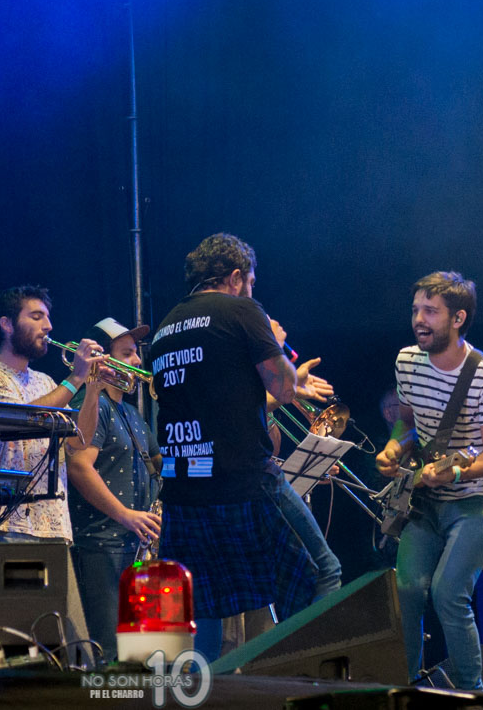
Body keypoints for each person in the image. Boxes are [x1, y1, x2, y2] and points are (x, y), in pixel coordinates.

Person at [150, 232, 341, 661]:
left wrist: (287, 382)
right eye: (250, 282)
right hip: (244, 481)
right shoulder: (242, 310)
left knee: (205, 606)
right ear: (236, 277)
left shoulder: (164, 328)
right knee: (323, 572)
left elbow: (217, 403)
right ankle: (307, 678)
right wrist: (272, 340)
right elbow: (283, 387)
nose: (252, 291)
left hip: (184, 491)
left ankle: (202, 690)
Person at [376, 270, 483, 690]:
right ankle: (405, 688)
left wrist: (454, 471)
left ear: (458, 318)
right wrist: (394, 448)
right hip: (427, 501)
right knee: (407, 589)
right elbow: (407, 425)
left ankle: (472, 692)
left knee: (448, 592)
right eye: (415, 310)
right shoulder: (406, 361)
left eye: (430, 311)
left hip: (479, 497)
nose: (419, 319)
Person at [0, 285, 104, 543]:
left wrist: (93, 387)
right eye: (36, 317)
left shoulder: (46, 382)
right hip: (6, 522)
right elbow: (23, 418)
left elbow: (78, 441)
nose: (48, 326)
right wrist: (76, 377)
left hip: (55, 523)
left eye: (47, 317)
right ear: (7, 324)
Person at [66, 317, 162, 661]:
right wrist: (126, 515)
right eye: (127, 354)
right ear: (103, 360)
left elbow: (160, 464)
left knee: (140, 652)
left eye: (136, 353)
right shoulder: (93, 405)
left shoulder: (131, 413)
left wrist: (207, 461)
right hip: (102, 544)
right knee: (110, 652)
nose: (137, 361)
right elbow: (79, 466)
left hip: (133, 546)